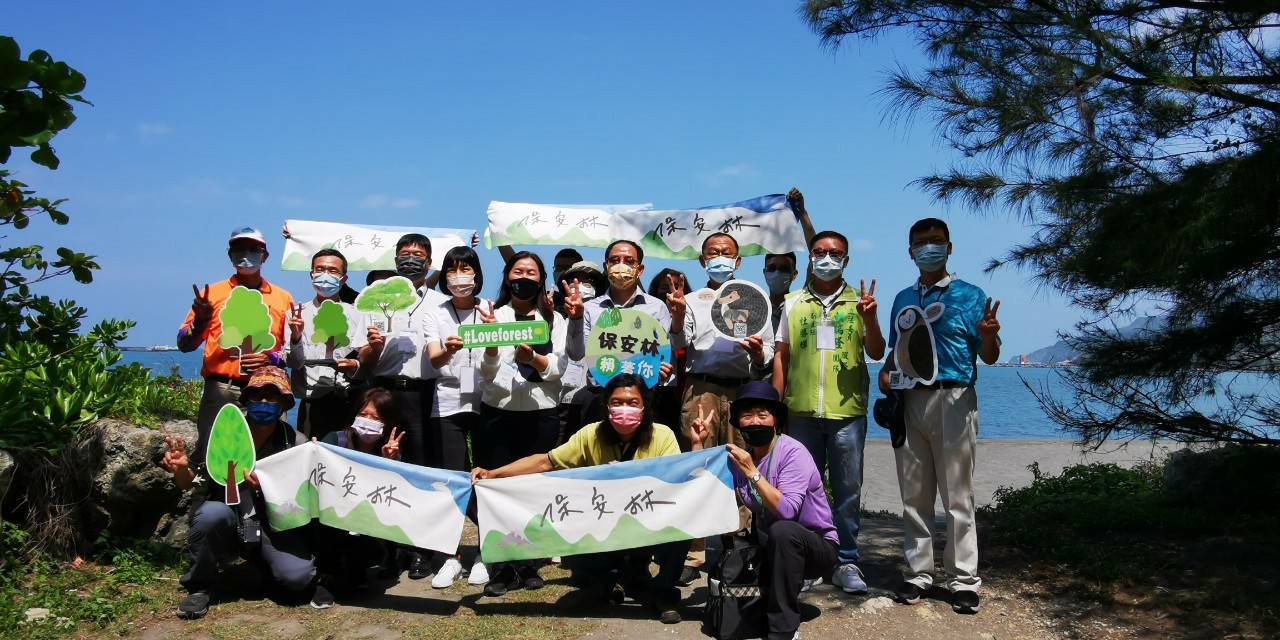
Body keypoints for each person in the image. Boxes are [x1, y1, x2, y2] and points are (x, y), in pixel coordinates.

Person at [470, 374, 689, 624]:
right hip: (604, 527)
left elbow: (676, 481)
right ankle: (608, 582)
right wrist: (493, 473)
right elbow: (545, 462)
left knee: (682, 526)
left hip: (649, 524)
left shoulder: (663, 436)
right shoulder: (590, 435)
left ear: (644, 406)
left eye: (632, 403)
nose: (624, 409)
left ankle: (663, 594)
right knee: (577, 552)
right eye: (616, 402)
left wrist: (631, 475)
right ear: (606, 406)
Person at [881, 218, 1002, 614]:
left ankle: (963, 579)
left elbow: (989, 355)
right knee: (914, 494)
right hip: (910, 400)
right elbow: (896, 350)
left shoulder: (970, 295)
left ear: (950, 247)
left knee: (957, 494)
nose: (928, 248)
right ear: (910, 251)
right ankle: (919, 573)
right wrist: (886, 372)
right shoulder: (903, 298)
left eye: (936, 241)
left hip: (954, 397)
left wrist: (988, 335)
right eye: (921, 242)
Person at [772, 230, 885, 595]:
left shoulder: (860, 301)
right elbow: (781, 356)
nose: (827, 258)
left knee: (848, 489)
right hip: (800, 412)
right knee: (802, 489)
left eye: (835, 253)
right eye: (819, 251)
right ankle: (808, 561)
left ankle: (846, 560)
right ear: (810, 257)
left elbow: (877, 350)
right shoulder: (792, 302)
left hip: (846, 413)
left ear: (846, 260)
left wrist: (870, 318)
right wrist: (776, 407)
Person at [161, 366, 322, 619]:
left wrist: (309, 461)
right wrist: (181, 469)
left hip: (273, 523)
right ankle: (199, 587)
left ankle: (264, 565)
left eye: (272, 397)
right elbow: (189, 483)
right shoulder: (223, 434)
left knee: (298, 578)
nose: (264, 402)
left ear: (284, 404)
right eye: (257, 395)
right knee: (210, 514)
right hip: (229, 516)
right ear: (246, 400)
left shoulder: (294, 441)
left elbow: (303, 496)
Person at [690, 381, 838, 640]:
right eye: (747, 415)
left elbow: (788, 510)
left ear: (775, 421)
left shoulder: (792, 452)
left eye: (762, 414)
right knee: (743, 544)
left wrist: (752, 472)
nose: (755, 421)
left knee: (783, 531)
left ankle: (783, 629)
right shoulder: (742, 457)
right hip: (770, 546)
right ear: (738, 422)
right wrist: (698, 446)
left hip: (815, 547)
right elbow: (706, 489)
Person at [473, 251, 568, 596]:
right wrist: (492, 346)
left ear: (541, 279)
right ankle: (501, 565)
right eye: (518, 271)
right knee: (496, 487)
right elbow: (485, 372)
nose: (524, 277)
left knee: (532, 488)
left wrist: (535, 358)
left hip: (541, 414)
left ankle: (529, 562)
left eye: (531, 272)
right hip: (498, 412)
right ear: (507, 276)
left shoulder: (554, 319)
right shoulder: (492, 315)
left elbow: (559, 368)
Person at [362, 232, 447, 580]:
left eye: (418, 254)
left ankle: (421, 550)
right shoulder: (375, 298)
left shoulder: (440, 303)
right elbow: (364, 357)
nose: (411, 259)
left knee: (420, 470)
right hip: (383, 393)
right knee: (383, 469)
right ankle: (387, 550)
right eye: (404, 254)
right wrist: (372, 347)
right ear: (395, 258)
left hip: (423, 393)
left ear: (429, 262)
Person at [178, 226, 294, 464]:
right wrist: (200, 320)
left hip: (267, 392)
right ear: (230, 254)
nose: (246, 254)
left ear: (265, 255)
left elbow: (292, 351)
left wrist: (271, 358)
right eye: (239, 248)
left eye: (253, 249)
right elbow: (184, 344)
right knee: (212, 457)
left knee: (271, 459)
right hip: (223, 390)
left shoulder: (283, 298)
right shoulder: (210, 294)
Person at [422, 246, 494, 589]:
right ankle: (450, 557)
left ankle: (485, 553)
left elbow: (500, 353)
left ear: (477, 274)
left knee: (486, 477)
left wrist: (492, 332)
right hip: (448, 400)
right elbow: (434, 358)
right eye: (452, 270)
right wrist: (449, 349)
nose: (459, 277)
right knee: (452, 478)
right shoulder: (435, 313)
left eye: (466, 269)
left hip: (487, 400)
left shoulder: (491, 309)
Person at [564, 239, 686, 421]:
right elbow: (576, 354)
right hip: (600, 396)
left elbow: (673, 348)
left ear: (640, 269)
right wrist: (575, 319)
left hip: (646, 396)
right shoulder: (589, 308)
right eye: (614, 260)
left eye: (629, 261)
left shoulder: (656, 306)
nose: (621, 265)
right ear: (606, 267)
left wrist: (679, 317)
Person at [681, 232, 775, 452]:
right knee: (698, 454)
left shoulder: (755, 300)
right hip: (701, 390)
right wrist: (676, 317)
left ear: (737, 261)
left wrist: (759, 354)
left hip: (741, 390)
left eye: (726, 253)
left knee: (740, 455)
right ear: (703, 260)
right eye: (713, 253)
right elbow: (679, 342)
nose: (720, 258)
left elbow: (769, 348)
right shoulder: (690, 300)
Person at [315, 387, 407, 590]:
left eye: (376, 418)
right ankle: (328, 572)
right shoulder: (335, 441)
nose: (368, 421)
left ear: (387, 423)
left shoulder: (391, 451)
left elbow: (396, 497)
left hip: (368, 523)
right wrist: (313, 452)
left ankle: (368, 564)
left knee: (371, 550)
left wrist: (388, 462)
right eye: (363, 414)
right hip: (333, 520)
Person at [286, 249, 372, 440]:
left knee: (346, 451)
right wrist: (296, 337)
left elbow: (366, 363)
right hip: (312, 402)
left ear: (343, 278)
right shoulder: (296, 314)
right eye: (319, 269)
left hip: (348, 399)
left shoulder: (357, 314)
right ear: (311, 274)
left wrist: (354, 366)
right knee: (311, 451)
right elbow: (293, 363)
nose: (325, 275)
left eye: (333, 270)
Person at [557, 260, 607, 443]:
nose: (580, 285)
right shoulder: (556, 316)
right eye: (575, 280)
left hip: (593, 399)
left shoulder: (609, 317)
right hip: (560, 400)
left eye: (588, 282)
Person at [646, 268, 693, 445]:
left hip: (685, 391)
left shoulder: (693, 315)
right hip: (654, 388)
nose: (671, 292)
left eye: (676, 286)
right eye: (665, 287)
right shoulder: (646, 316)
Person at [763, 252, 800, 335]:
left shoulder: (801, 308)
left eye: (783, 269)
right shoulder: (757, 309)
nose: (777, 273)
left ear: (794, 275)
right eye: (772, 268)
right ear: (764, 272)